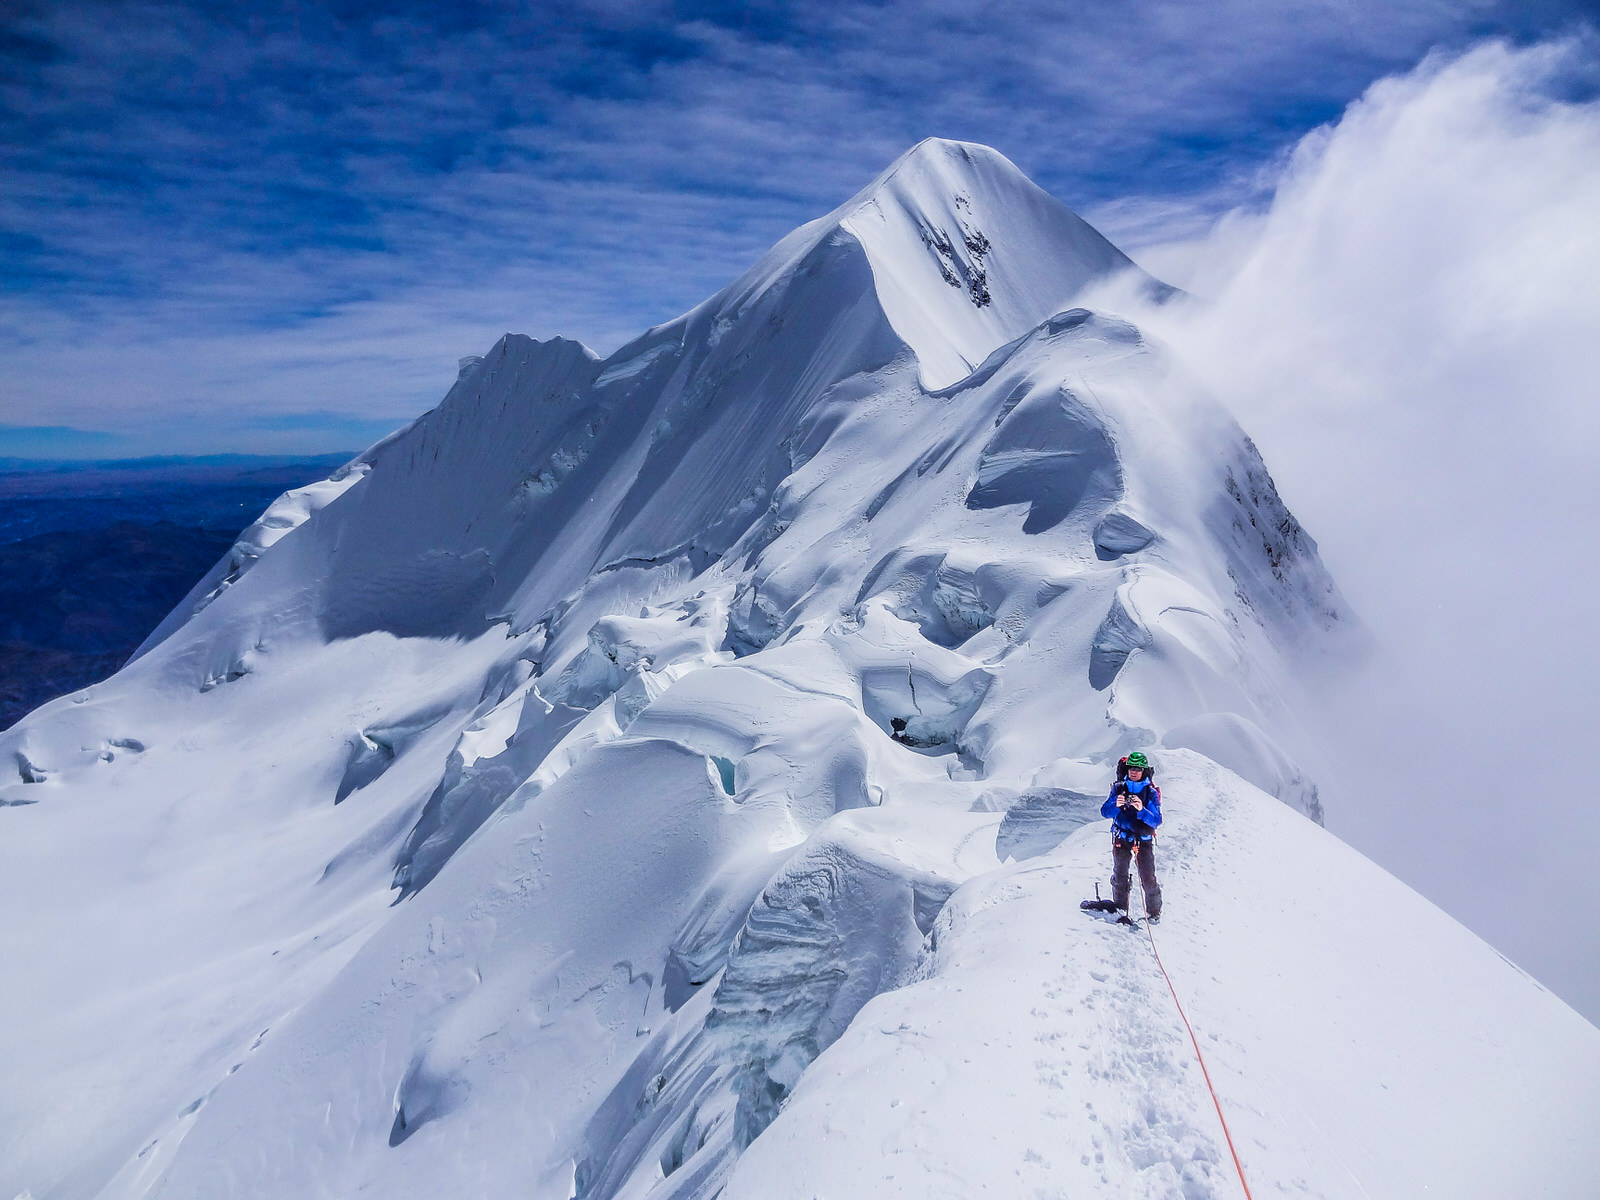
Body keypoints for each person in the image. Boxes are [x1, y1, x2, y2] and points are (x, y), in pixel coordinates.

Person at [1101, 750, 1163, 922]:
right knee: (1119, 874)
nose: (1134, 771)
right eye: (1131, 768)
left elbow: (1157, 820)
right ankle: (1120, 907)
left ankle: (1154, 913)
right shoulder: (1119, 788)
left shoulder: (1150, 792)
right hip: (1122, 838)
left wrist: (1142, 811)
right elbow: (1105, 812)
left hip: (1143, 841)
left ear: (1144, 771)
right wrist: (1115, 805)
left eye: (1138, 768)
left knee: (1148, 878)